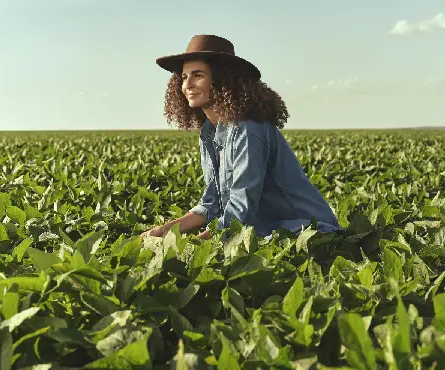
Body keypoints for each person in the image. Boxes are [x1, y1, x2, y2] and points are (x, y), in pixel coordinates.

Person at [140, 34, 342, 240]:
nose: (188, 84)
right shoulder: (209, 133)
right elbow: (212, 205)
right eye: (184, 77)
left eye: (197, 75)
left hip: (307, 232)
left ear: (222, 80)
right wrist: (161, 232)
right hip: (265, 231)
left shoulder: (249, 129)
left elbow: (239, 210)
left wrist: (191, 246)